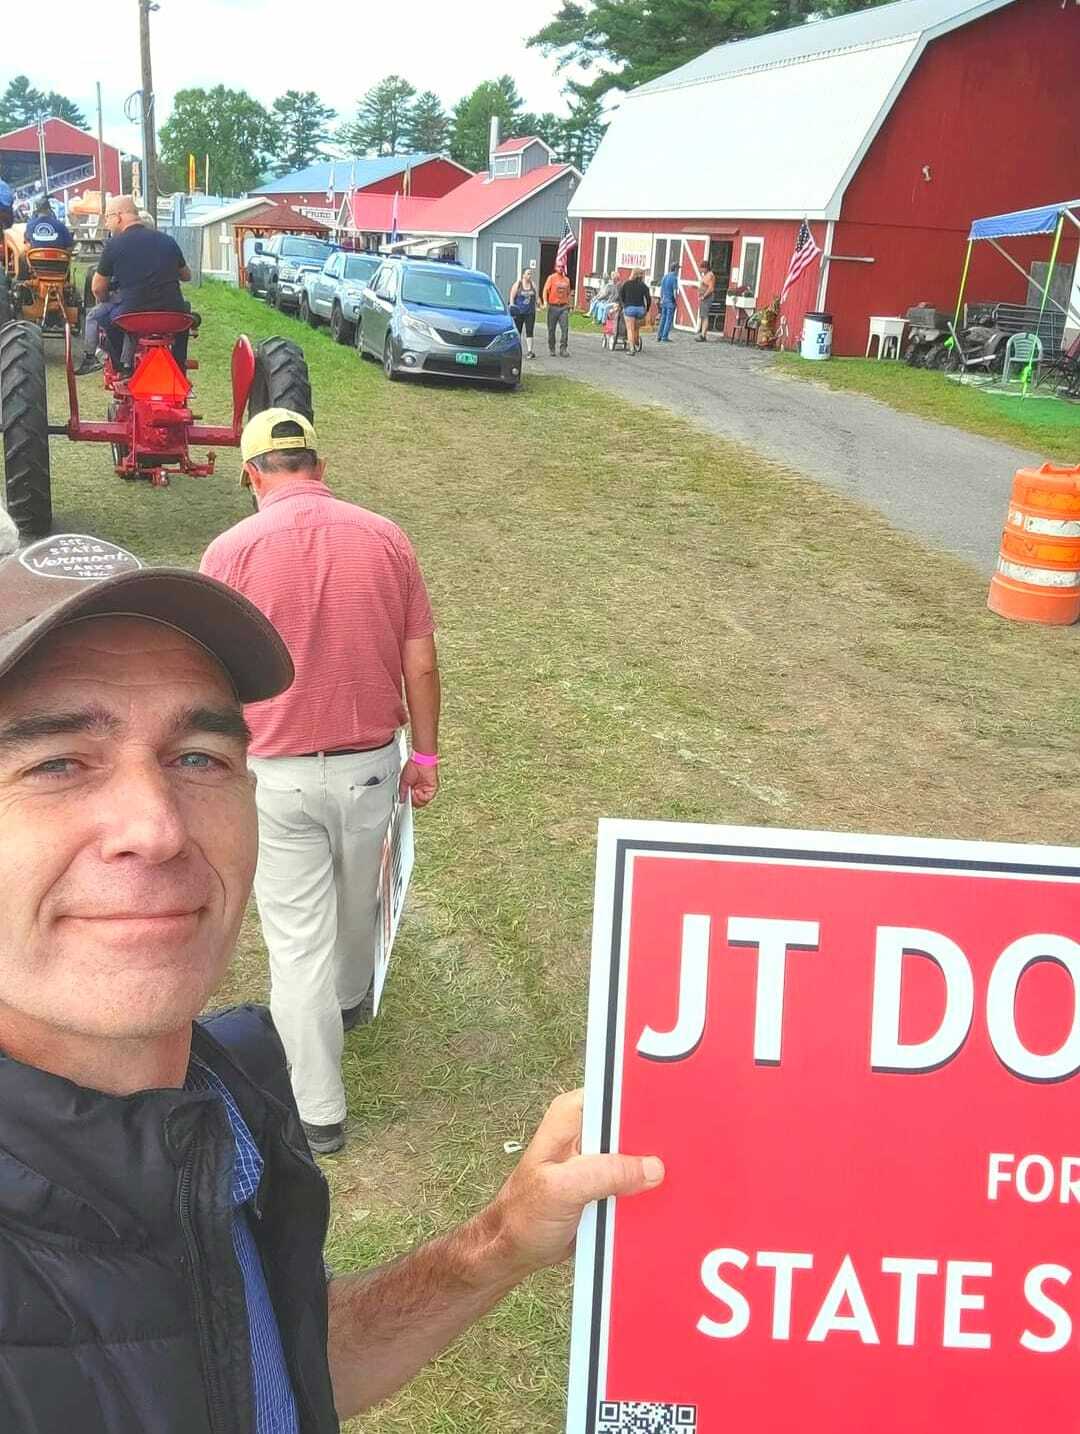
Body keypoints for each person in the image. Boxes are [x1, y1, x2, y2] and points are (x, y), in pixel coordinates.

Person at [0, 510, 664, 1431]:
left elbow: (259, 1362)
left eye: (197, 757)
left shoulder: (223, 1102)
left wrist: (498, 1243)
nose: (157, 828)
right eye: (57, 764)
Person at [200, 409, 441, 1157]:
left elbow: (207, 674)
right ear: (320, 465)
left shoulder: (229, 551)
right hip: (370, 763)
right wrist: (427, 756)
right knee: (358, 893)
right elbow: (421, 661)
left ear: (252, 474)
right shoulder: (386, 537)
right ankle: (349, 998)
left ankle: (319, 1112)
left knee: (296, 939)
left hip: (275, 774)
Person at [78, 195, 191, 376]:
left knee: (105, 319)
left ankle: (123, 368)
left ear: (118, 216)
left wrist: (106, 299)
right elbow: (186, 276)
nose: (106, 223)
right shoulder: (168, 240)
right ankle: (179, 365)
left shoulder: (114, 245)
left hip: (133, 315)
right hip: (172, 314)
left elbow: (97, 288)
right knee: (185, 313)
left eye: (107, 217)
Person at [618, 268, 652, 354]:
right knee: (636, 327)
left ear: (632, 274)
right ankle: (636, 341)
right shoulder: (644, 286)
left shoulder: (626, 284)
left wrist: (623, 306)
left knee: (630, 329)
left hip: (629, 308)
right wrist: (647, 309)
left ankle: (631, 349)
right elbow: (648, 299)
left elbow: (621, 296)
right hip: (640, 310)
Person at [542, 264, 572, 357]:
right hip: (553, 306)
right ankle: (552, 348)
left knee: (565, 329)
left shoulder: (566, 280)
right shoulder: (551, 278)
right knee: (551, 329)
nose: (560, 268)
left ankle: (563, 349)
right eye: (559, 267)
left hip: (563, 307)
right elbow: (545, 290)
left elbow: (568, 293)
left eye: (562, 267)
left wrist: (569, 304)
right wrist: (545, 301)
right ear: (555, 268)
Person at [508, 267, 537, 359]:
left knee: (530, 331)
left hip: (530, 312)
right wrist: (512, 307)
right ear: (523, 275)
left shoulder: (533, 284)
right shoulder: (518, 284)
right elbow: (512, 296)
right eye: (528, 274)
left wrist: (538, 305)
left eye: (530, 274)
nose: (530, 276)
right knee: (517, 331)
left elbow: (535, 296)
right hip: (519, 312)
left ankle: (529, 351)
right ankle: (516, 350)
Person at [657, 260, 679, 342]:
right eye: (678, 269)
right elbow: (674, 291)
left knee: (663, 318)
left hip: (664, 300)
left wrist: (661, 299)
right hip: (670, 301)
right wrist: (676, 301)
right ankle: (664, 336)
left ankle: (659, 335)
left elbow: (661, 290)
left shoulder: (665, 277)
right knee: (668, 319)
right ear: (675, 269)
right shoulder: (674, 278)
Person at [697, 263, 717, 342]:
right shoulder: (705, 275)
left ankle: (703, 335)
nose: (700, 270)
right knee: (702, 316)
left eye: (701, 268)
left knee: (705, 316)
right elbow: (703, 286)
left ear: (706, 268)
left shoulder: (710, 275)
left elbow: (711, 288)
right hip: (703, 297)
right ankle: (702, 334)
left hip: (707, 298)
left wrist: (704, 296)